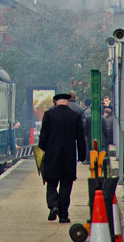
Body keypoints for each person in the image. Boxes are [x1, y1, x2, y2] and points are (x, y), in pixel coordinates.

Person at [38, 93, 86, 224]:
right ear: (68, 102)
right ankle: (63, 215)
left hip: (52, 156)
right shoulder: (74, 116)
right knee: (66, 184)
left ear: (56, 103)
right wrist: (82, 155)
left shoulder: (49, 115)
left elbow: (43, 136)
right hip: (68, 157)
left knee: (51, 182)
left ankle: (53, 205)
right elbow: (80, 138)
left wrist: (41, 151)